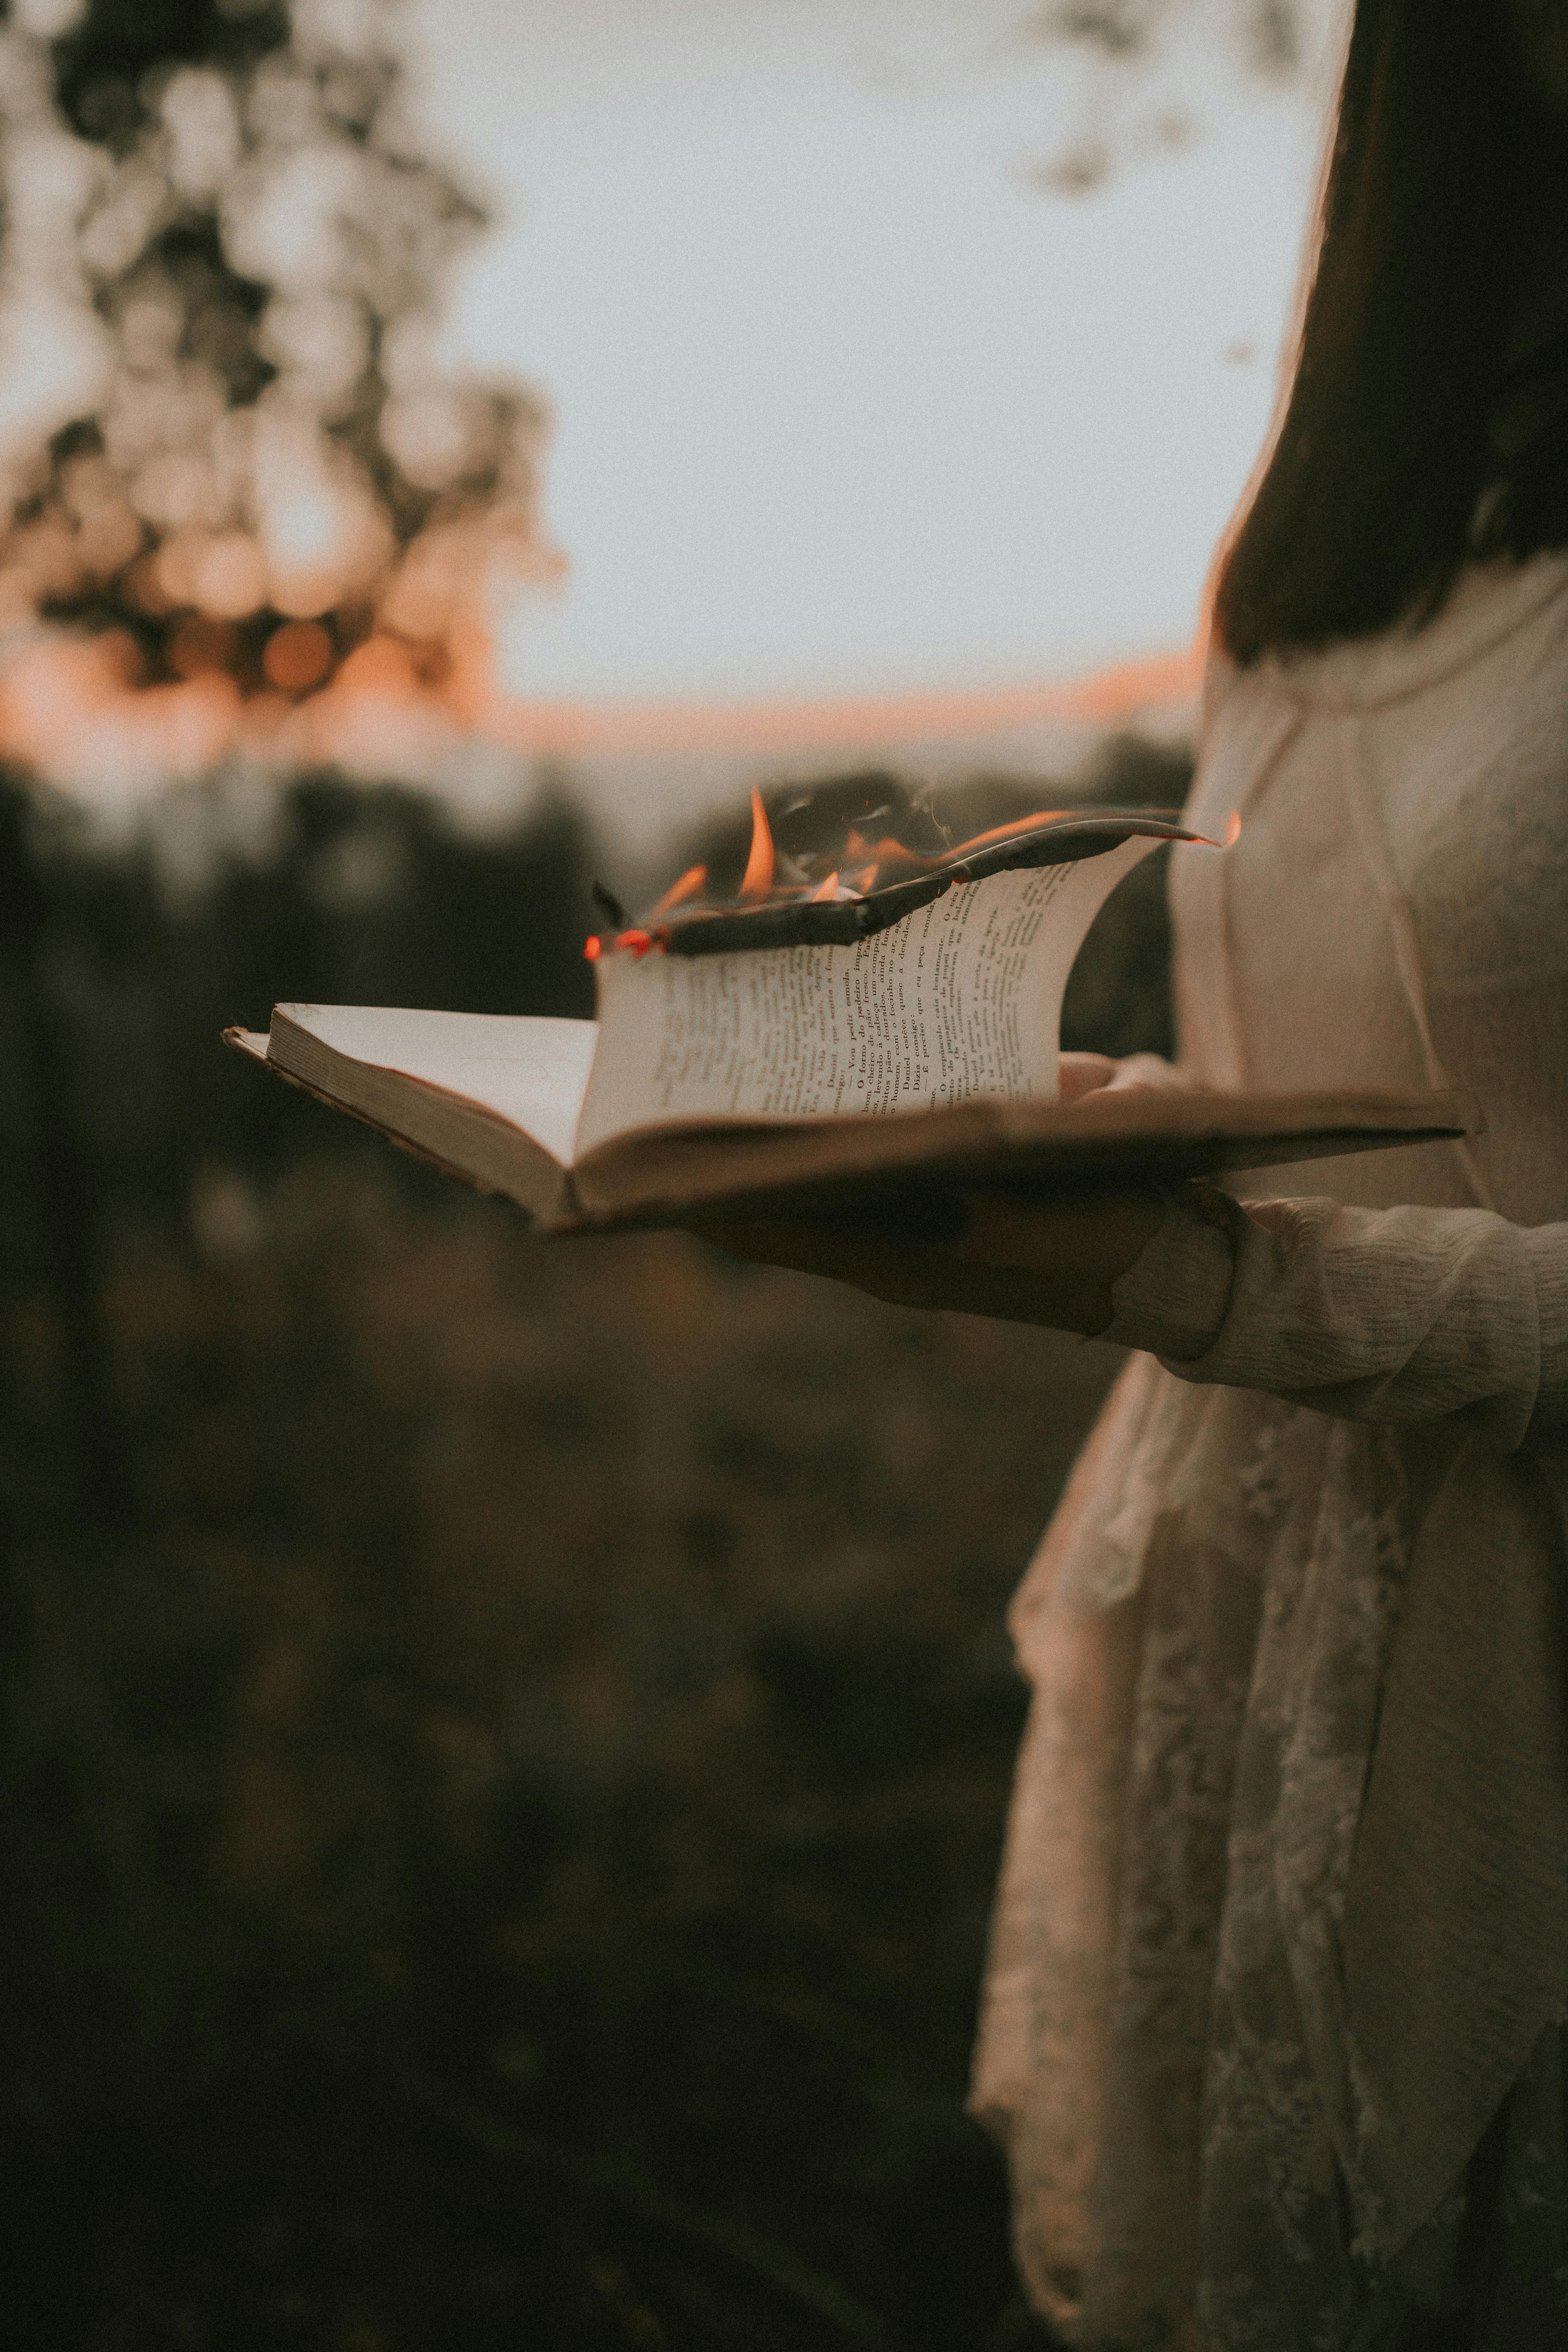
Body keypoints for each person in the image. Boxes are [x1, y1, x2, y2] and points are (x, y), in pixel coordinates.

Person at [707, 1, 1568, 2341]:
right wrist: (1016, 1129)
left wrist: (1196, 1289)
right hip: (1257, 1646)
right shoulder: (1326, 541)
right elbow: (1282, 1070)